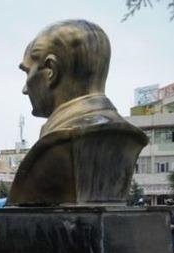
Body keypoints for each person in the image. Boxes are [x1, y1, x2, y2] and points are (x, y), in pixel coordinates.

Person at [9, 20, 147, 205]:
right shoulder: (130, 137)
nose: (25, 89)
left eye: (27, 72)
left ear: (51, 70)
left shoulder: (58, 144)